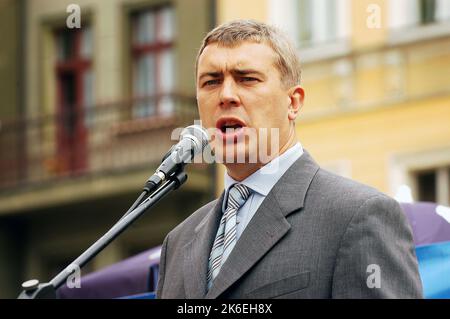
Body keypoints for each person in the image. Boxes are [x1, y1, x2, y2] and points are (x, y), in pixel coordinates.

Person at [156, 20, 423, 299]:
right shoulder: (178, 243)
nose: (226, 95)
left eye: (247, 78)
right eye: (211, 81)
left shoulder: (358, 216)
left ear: (293, 102)